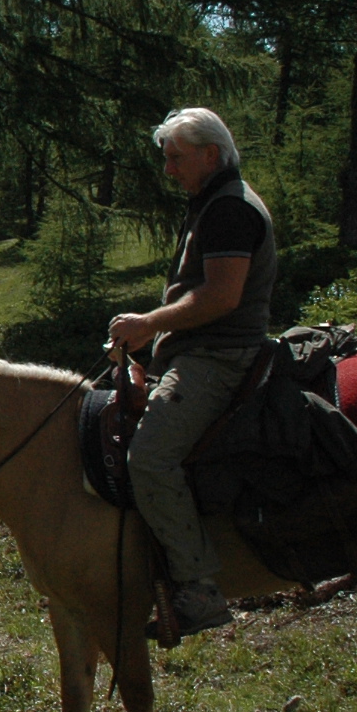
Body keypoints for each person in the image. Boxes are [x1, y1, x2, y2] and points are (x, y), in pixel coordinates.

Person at [107, 108, 277, 639]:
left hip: (219, 359)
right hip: (196, 352)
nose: (168, 170)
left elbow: (222, 296)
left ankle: (200, 588)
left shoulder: (228, 210)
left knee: (151, 458)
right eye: (167, 158)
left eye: (176, 158)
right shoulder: (215, 203)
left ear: (211, 154)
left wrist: (149, 324)